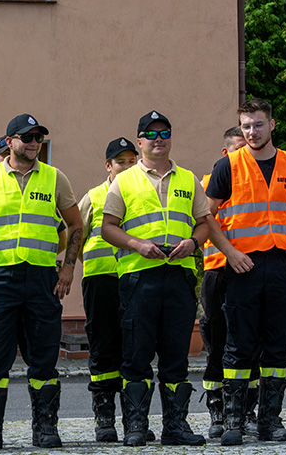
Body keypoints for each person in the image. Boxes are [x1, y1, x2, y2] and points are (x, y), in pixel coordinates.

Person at [0, 114, 83, 450]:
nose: (33, 143)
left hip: (42, 280)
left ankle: (45, 430)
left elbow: (77, 225)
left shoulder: (55, 178)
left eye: (38, 138)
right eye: (26, 137)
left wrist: (68, 268)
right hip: (0, 280)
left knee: (43, 358)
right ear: (10, 141)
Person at [205, 98, 286, 446]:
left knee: (277, 345)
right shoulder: (228, 166)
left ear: (272, 125)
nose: (251, 132)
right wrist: (230, 252)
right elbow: (206, 216)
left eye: (257, 124)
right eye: (245, 126)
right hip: (244, 266)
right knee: (238, 345)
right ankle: (234, 423)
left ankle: (269, 421)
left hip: (283, 264)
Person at [101, 111, 210, 447]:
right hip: (139, 277)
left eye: (164, 133)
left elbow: (204, 223)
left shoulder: (188, 179)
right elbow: (107, 227)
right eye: (150, 134)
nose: (158, 139)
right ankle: (135, 426)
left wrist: (193, 242)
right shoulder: (125, 180)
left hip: (178, 275)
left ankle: (176, 426)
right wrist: (136, 244)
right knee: (136, 355)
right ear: (140, 141)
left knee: (176, 355)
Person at [78, 137, 147, 443]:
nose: (128, 167)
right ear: (108, 166)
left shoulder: (144, 194)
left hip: (135, 280)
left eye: (133, 161)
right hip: (102, 281)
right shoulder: (93, 197)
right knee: (104, 349)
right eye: (121, 162)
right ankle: (104, 418)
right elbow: (74, 240)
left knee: (136, 349)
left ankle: (135, 418)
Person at [199, 126, 260, 439]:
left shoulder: (257, 182)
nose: (245, 155)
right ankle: (217, 410)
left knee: (250, 344)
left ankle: (247, 410)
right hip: (217, 270)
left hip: (248, 271)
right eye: (239, 149)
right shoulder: (208, 185)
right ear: (226, 154)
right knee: (216, 342)